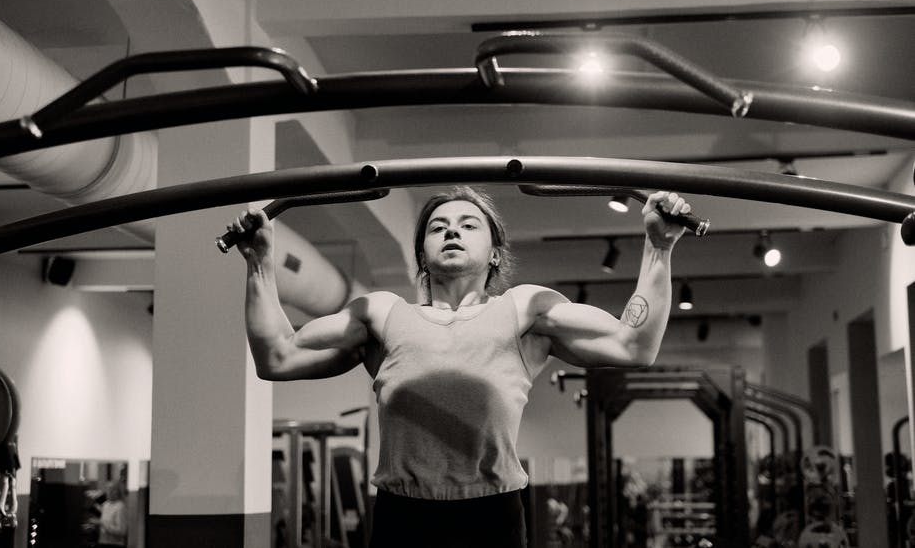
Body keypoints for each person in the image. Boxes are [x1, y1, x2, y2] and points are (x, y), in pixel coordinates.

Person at [228, 185, 691, 548]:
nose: (452, 231)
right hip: (402, 516)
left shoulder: (524, 309)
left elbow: (634, 345)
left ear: (495, 253)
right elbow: (278, 357)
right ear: (422, 256)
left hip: (490, 517)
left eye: (469, 225)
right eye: (438, 227)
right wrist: (259, 263)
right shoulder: (382, 314)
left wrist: (659, 247)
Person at [94, 480, 127, 547]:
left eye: (111, 490)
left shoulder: (120, 507)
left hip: (114, 544)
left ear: (117, 492)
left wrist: (102, 523)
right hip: (102, 542)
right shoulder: (106, 504)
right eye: (107, 490)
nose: (108, 492)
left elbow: (121, 531)